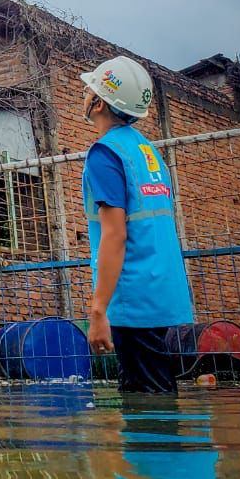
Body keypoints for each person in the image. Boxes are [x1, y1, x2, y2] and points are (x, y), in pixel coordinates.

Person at [80, 55, 193, 394]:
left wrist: (98, 310)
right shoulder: (146, 150)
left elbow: (115, 234)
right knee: (157, 390)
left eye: (89, 90)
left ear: (98, 102)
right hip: (163, 291)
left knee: (148, 404)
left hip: (132, 296)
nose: (84, 95)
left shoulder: (105, 154)